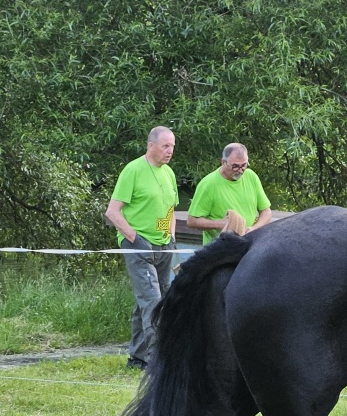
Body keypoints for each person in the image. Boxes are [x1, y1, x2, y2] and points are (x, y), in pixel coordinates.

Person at [106, 126, 178, 370]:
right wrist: (135, 237)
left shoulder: (169, 173)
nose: (170, 151)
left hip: (164, 245)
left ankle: (137, 358)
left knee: (147, 301)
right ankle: (160, 361)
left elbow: (171, 211)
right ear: (151, 145)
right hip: (138, 244)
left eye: (172, 146)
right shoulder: (133, 170)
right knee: (153, 302)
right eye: (165, 146)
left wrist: (171, 238)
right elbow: (112, 212)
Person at [186, 143, 272, 244]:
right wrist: (221, 224)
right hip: (220, 249)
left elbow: (266, 212)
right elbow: (192, 221)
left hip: (247, 245)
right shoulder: (208, 184)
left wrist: (253, 229)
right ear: (223, 162)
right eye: (235, 166)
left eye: (244, 165)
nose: (240, 170)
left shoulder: (251, 177)